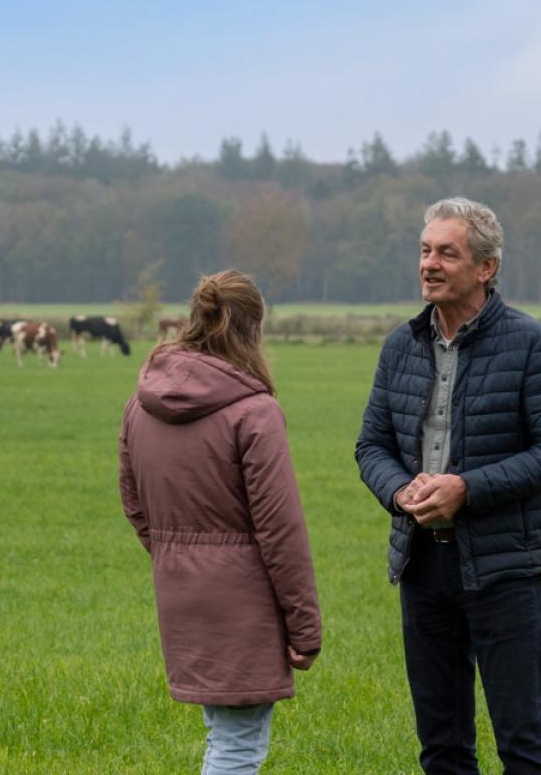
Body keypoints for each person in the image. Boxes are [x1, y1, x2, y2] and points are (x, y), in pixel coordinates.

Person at [355, 197, 541, 775]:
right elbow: (371, 446)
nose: (429, 264)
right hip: (422, 566)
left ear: (486, 267)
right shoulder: (399, 347)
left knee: (522, 742)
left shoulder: (531, 343)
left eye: (446, 253)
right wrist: (400, 492)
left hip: (504, 566)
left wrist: (466, 488)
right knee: (442, 746)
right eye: (425, 251)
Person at [120, 270, 322, 775]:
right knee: (237, 746)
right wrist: (305, 627)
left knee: (224, 733)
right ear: (253, 329)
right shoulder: (255, 412)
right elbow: (281, 530)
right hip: (242, 598)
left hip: (179, 589)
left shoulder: (139, 405)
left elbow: (134, 502)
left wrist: (178, 559)